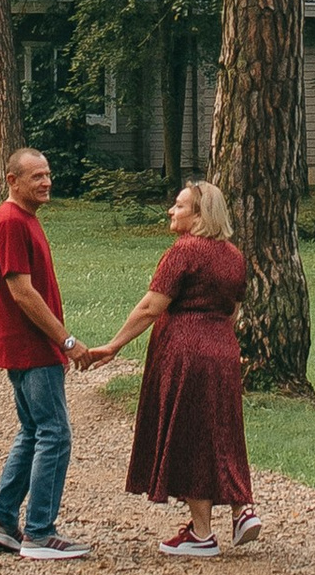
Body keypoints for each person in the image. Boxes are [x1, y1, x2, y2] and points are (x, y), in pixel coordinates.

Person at [92, 177, 261, 555]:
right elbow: (233, 309)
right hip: (223, 352)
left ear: (200, 215)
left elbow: (152, 306)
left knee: (190, 437)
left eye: (180, 205)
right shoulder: (233, 255)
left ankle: (202, 534)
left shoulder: (183, 251)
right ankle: (241, 507)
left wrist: (114, 345)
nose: (172, 210)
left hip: (186, 352)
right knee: (222, 430)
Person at [0, 145, 97, 558]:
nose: (46, 182)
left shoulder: (24, 219)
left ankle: (3, 520)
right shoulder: (12, 221)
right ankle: (40, 532)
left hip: (25, 346)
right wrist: (66, 341)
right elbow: (22, 293)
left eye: (47, 174)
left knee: (33, 431)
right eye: (36, 177)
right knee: (54, 433)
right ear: (13, 180)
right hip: (32, 347)